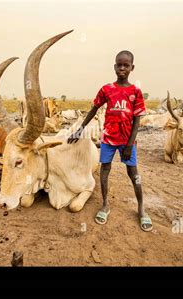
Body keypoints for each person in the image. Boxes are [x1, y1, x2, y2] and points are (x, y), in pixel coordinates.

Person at [67, 50, 152, 232]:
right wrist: (79, 130)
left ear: (132, 68)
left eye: (126, 65)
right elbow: (94, 109)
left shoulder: (135, 92)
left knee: (133, 173)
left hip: (127, 141)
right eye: (119, 65)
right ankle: (105, 205)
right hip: (108, 138)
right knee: (105, 169)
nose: (122, 68)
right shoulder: (107, 89)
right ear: (114, 66)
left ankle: (141, 208)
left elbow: (137, 120)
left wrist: (130, 144)